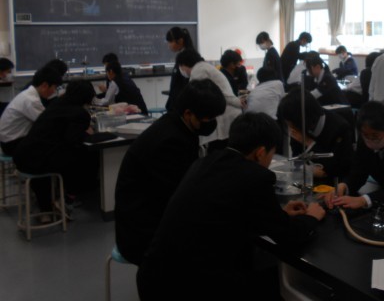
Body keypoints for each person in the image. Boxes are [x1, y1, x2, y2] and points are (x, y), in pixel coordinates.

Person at [136, 113, 325, 300]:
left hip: (155, 276)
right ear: (260, 153)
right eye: (271, 154)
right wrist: (311, 217)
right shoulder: (255, 177)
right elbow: (288, 237)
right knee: (270, 281)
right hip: (192, 287)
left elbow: (226, 210)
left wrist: (279, 213)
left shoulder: (205, 163)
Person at [115, 79, 226, 265]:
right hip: (142, 234)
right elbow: (180, 197)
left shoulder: (177, 126)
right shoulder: (170, 143)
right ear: (188, 113)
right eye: (208, 119)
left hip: (149, 217)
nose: (212, 123)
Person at [12, 80, 98, 214]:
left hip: (22, 154)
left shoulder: (56, 103)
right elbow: (73, 140)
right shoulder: (80, 113)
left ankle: (51, 202)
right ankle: (68, 200)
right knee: (87, 156)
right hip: (37, 162)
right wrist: (87, 133)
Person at [277, 87, 353, 181]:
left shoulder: (339, 128)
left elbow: (338, 168)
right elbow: (296, 160)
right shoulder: (297, 126)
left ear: (303, 118)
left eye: (291, 123)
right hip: (307, 180)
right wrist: (310, 170)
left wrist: (308, 142)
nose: (290, 128)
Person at [176, 49, 242, 144]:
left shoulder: (198, 70)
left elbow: (196, 96)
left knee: (219, 147)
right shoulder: (203, 67)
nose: (181, 69)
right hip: (226, 113)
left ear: (184, 64)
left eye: (180, 66)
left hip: (225, 114)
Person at [0, 66, 63, 155]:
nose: (54, 92)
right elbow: (47, 123)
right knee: (56, 143)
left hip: (9, 141)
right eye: (55, 87)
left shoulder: (28, 94)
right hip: (12, 144)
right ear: (45, 85)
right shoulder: (31, 100)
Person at [165, 26, 194, 111]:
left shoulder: (187, 56)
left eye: (170, 41)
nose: (169, 45)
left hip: (182, 105)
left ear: (180, 41)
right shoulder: (182, 55)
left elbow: (186, 84)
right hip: (177, 103)